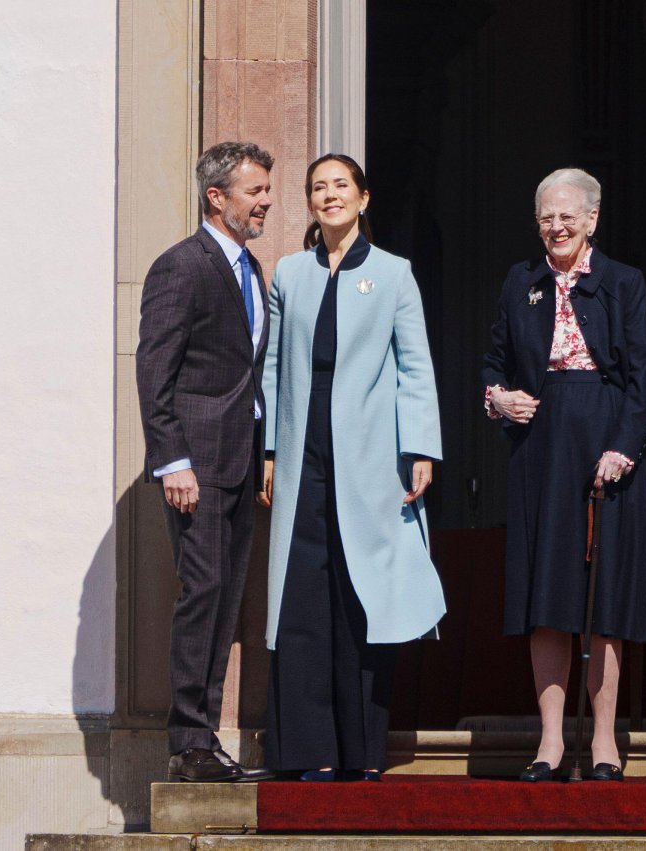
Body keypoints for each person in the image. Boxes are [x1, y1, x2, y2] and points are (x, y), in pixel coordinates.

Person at [258, 153, 445, 781]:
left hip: (369, 457)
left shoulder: (394, 274)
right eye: (319, 187)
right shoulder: (289, 272)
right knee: (303, 597)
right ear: (309, 202)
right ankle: (309, 753)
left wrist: (420, 447)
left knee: (360, 596)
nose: (329, 196)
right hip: (301, 450)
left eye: (341, 186)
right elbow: (276, 367)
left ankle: (361, 753)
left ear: (364, 198)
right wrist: (270, 452)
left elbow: (416, 366)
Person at [482, 167, 646, 782]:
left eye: (567, 217)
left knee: (605, 597)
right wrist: (498, 398)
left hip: (609, 441)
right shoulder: (519, 282)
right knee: (547, 596)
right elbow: (495, 364)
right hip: (542, 443)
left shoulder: (623, 282)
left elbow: (643, 377)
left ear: (591, 221)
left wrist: (623, 448)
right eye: (545, 218)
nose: (555, 227)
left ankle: (606, 743)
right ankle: (551, 743)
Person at [136, 141, 275, 782]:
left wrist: (263, 450)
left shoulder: (253, 270)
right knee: (205, 592)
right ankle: (189, 742)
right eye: (256, 191)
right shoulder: (181, 267)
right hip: (196, 466)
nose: (267, 201)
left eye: (267, 190)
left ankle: (207, 740)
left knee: (226, 598)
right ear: (217, 198)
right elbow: (155, 371)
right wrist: (173, 461)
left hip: (239, 463)